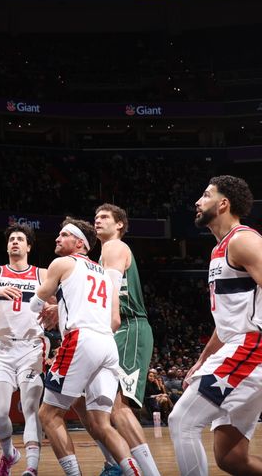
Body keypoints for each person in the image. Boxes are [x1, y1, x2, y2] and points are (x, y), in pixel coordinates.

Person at [31, 218, 140, 476]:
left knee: (48, 415)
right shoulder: (104, 272)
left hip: (80, 340)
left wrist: (47, 305)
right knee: (102, 423)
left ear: (80, 243)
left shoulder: (62, 263)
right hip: (107, 344)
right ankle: (134, 472)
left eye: (63, 235)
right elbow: (114, 318)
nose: (57, 239)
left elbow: (36, 302)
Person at [170, 175, 262, 475]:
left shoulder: (243, 240)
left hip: (252, 347)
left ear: (223, 204)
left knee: (182, 420)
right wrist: (202, 360)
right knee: (232, 458)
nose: (198, 202)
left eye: (206, 195)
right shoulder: (218, 250)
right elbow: (226, 322)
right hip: (239, 346)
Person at [75, 204, 160, 476]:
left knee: (117, 406)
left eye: (104, 217)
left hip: (127, 325)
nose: (97, 221)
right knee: (87, 401)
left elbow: (111, 293)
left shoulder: (114, 247)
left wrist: (106, 329)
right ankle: (116, 464)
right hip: (112, 330)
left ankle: (148, 472)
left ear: (120, 224)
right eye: (95, 217)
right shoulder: (101, 256)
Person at [0, 223, 47, 476]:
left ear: (28, 246)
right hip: (1, 349)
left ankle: (32, 467)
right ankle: (9, 455)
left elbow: (61, 305)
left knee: (29, 408)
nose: (15, 242)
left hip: (31, 348)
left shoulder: (42, 274)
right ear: (7, 246)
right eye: (11, 239)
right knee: (0, 413)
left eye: (20, 239)